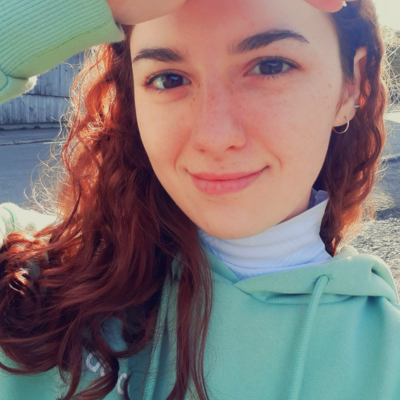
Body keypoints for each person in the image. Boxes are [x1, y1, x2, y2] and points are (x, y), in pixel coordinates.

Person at [0, 0, 398, 399]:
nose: (214, 136)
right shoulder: (27, 275)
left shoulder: (386, 357)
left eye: (270, 66)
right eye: (169, 78)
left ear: (352, 85)